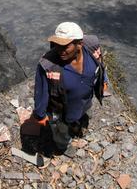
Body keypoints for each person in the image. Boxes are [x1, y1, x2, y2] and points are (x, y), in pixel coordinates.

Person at [24, 22, 106, 156]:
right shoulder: (48, 66)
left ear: (79, 44)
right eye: (57, 45)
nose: (59, 50)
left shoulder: (92, 46)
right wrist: (40, 114)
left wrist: (104, 80)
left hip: (84, 101)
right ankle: (62, 146)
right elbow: (41, 92)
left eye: (65, 46)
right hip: (61, 109)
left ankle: (78, 121)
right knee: (62, 131)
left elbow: (100, 63)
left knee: (83, 113)